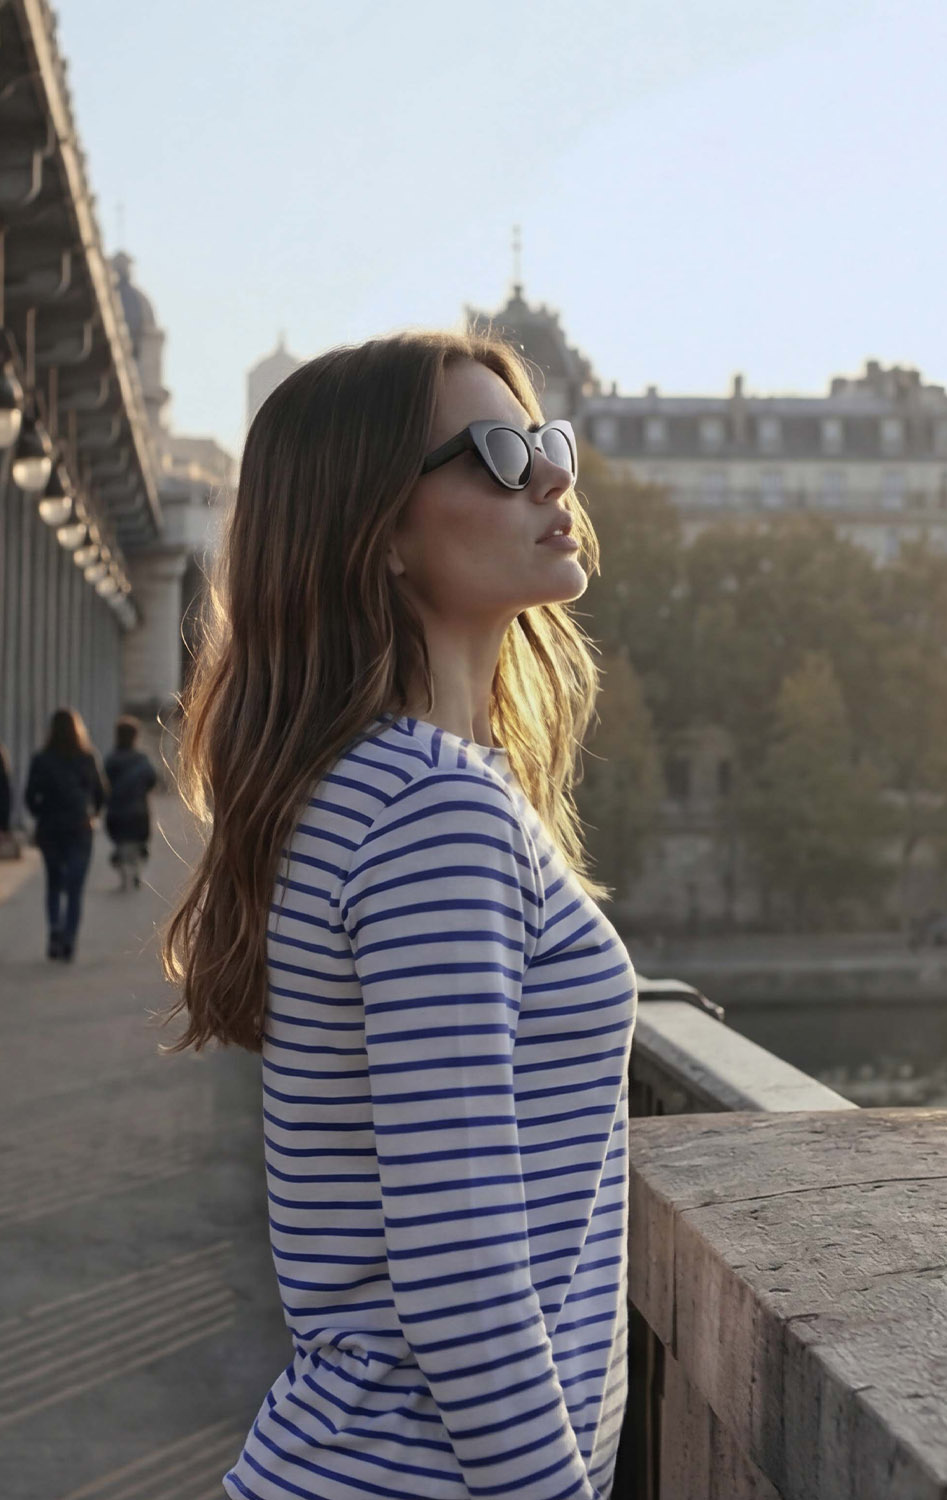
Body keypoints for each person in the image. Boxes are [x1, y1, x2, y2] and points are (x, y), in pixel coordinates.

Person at [158, 330, 638, 1500]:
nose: (550, 475)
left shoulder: (379, 786)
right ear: (375, 532)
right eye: (496, 454)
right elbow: (463, 1281)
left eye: (546, 442)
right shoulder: (432, 812)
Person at [24, 707, 107, 961]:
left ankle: (55, 932)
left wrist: (41, 813)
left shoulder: (41, 759)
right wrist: (92, 814)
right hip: (79, 827)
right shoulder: (87, 757)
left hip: (50, 827)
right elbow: (101, 793)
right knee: (74, 888)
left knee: (53, 883)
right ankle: (69, 938)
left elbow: (30, 796)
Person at [104, 715, 158, 891]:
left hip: (117, 810)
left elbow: (103, 784)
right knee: (138, 843)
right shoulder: (142, 759)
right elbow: (152, 780)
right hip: (138, 810)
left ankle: (123, 871)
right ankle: (136, 870)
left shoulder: (111, 759)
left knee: (121, 841)